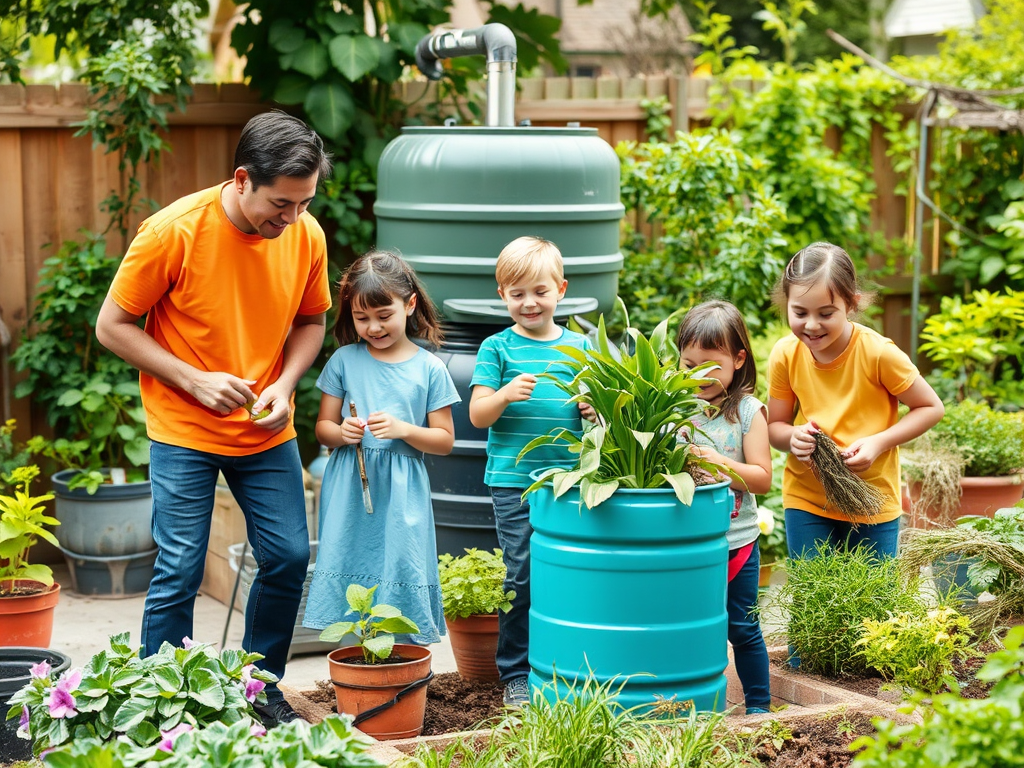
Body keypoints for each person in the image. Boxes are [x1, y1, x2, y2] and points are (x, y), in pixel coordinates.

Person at [95, 110, 333, 728]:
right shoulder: (173, 231)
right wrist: (192, 378)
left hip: (263, 429)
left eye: (305, 203)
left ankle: (259, 688)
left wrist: (284, 383)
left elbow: (312, 321)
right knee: (179, 566)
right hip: (183, 428)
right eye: (281, 203)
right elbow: (111, 326)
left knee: (285, 558)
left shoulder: (305, 235)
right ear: (242, 179)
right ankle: (160, 702)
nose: (292, 218)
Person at [301, 250, 460, 645]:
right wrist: (342, 433)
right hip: (349, 485)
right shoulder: (343, 361)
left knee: (400, 564)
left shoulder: (430, 368)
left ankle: (402, 665)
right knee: (349, 559)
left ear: (409, 305)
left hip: (402, 490)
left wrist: (405, 429)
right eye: (361, 318)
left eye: (383, 315)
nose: (373, 327)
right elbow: (322, 428)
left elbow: (444, 441)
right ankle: (359, 662)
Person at [468, 236, 594, 708]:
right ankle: (517, 673)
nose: (529, 302)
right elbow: (479, 415)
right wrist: (503, 395)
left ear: (561, 289)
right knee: (521, 573)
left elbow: (599, 417)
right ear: (502, 295)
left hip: (571, 482)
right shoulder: (496, 348)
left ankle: (565, 662)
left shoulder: (581, 346)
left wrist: (592, 411)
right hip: (514, 482)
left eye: (539, 291)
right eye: (516, 293)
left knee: (569, 571)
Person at [767, 242, 944, 560]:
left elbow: (931, 407)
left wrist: (879, 442)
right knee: (814, 599)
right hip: (807, 499)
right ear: (787, 304)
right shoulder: (785, 354)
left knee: (873, 602)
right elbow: (775, 428)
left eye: (825, 313)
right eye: (799, 312)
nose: (811, 325)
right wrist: (793, 438)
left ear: (852, 304)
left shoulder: (878, 353)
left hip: (872, 501)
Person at [677, 300, 773, 715]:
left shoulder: (749, 413)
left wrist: (720, 464)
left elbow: (762, 479)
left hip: (737, 543)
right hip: (685, 543)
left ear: (738, 359)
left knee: (742, 626)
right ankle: (689, 705)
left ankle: (759, 707)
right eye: (688, 363)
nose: (699, 375)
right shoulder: (673, 408)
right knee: (689, 627)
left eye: (711, 364)